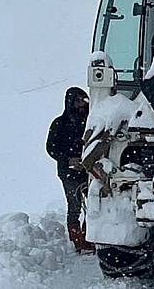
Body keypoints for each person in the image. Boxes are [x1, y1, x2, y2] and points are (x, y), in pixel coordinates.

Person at [47, 87, 95, 254]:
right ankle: (78, 241)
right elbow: (51, 148)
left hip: (90, 171)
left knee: (95, 205)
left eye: (83, 100)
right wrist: (68, 160)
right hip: (69, 173)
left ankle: (90, 237)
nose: (81, 104)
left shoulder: (92, 120)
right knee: (74, 207)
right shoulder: (59, 123)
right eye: (77, 101)